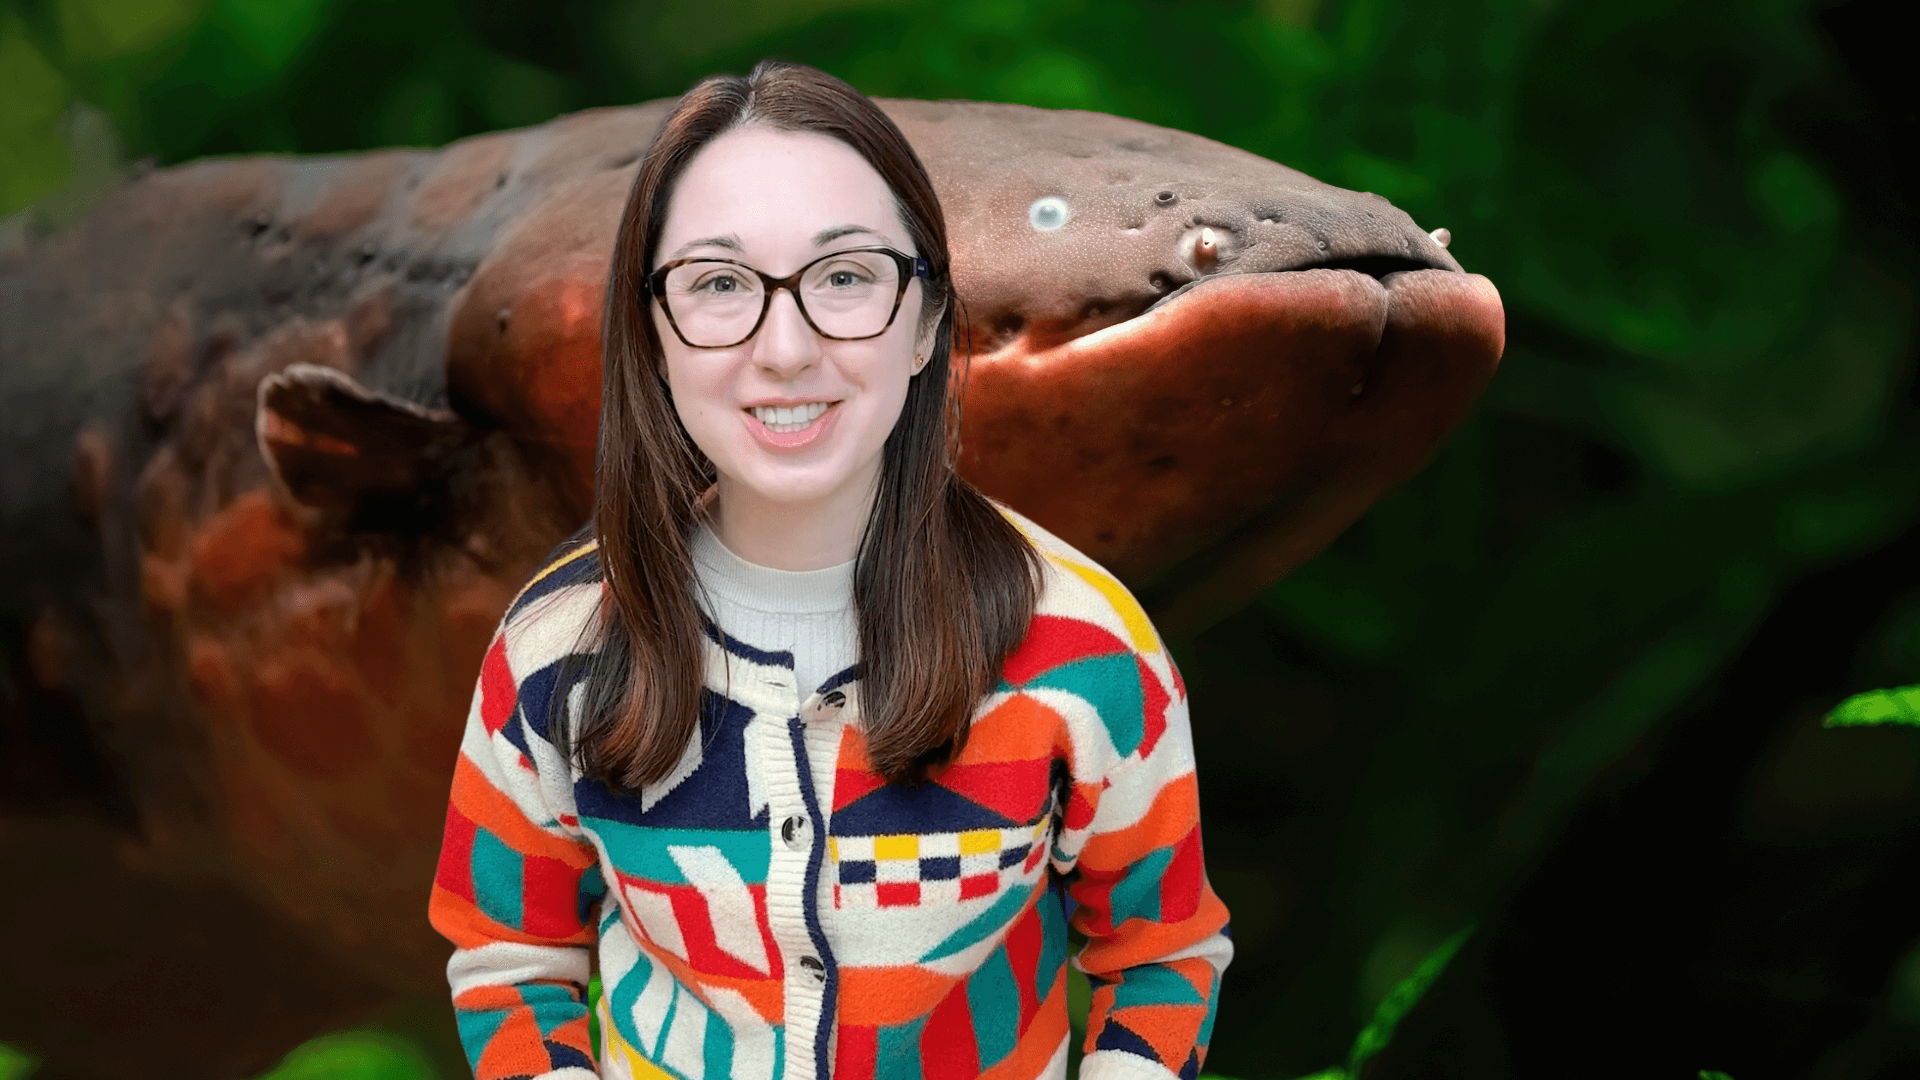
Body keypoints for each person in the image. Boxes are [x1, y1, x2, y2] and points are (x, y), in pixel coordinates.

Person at [429, 60, 1231, 1080]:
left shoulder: (1087, 647)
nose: (786, 348)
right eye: (719, 284)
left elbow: (1162, 957)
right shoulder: (552, 654)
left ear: (929, 321)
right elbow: (510, 962)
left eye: (845, 278)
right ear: (651, 333)